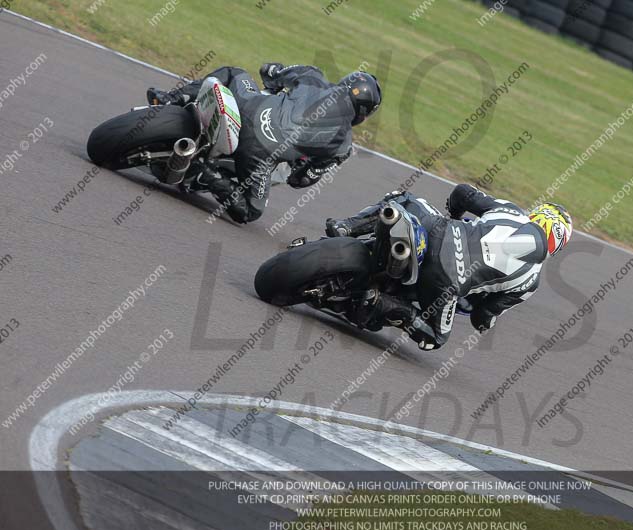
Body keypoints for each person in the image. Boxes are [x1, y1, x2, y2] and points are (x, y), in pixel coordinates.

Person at [326, 184, 573, 350]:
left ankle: (346, 226)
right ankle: (378, 301)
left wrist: (454, 215)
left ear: (537, 215)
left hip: (436, 229)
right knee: (435, 338)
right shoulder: (531, 281)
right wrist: (486, 322)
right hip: (444, 283)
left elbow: (463, 193)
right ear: (557, 244)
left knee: (405, 200)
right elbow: (482, 316)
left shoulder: (511, 211)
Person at [146, 64, 381, 223]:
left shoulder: (313, 75)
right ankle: (204, 172)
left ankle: (171, 98)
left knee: (232, 72)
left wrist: (278, 84)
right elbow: (299, 179)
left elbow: (269, 70)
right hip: (260, 153)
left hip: (248, 105)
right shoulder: (343, 145)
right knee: (251, 211)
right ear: (363, 113)